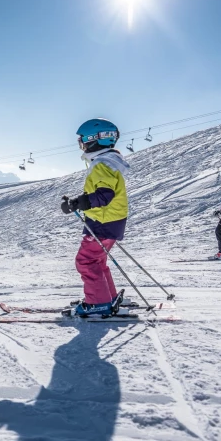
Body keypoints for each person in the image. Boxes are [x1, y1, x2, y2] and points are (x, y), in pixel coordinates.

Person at [60, 118, 130, 317]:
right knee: (97, 262)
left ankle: (98, 303)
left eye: (82, 140)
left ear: (94, 139)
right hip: (108, 221)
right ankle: (105, 296)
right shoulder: (108, 163)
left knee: (86, 262)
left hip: (103, 222)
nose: (81, 144)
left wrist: (77, 203)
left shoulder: (102, 165)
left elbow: (104, 195)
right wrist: (80, 202)